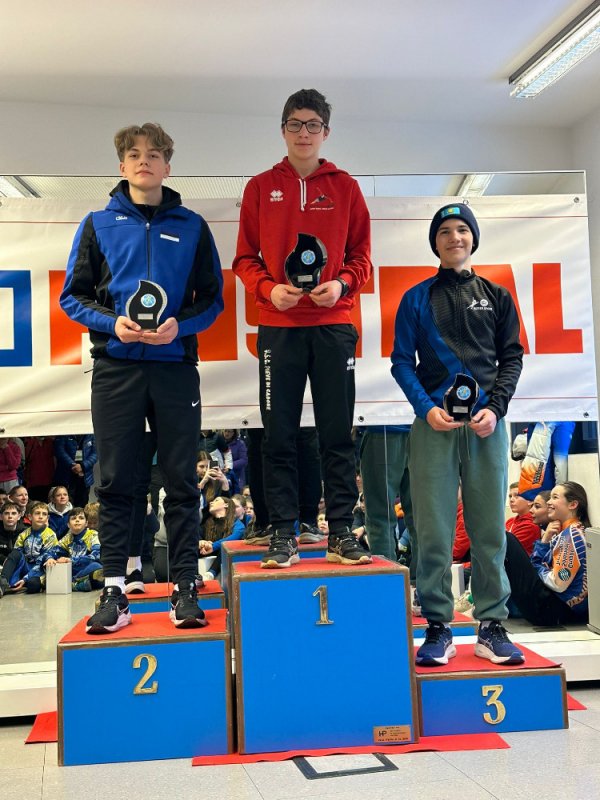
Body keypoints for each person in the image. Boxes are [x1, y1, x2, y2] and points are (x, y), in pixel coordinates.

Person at [60, 121, 224, 633]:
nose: (144, 161)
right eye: (134, 154)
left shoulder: (193, 226)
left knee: (181, 480)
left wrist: (180, 325)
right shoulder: (97, 224)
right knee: (114, 481)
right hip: (116, 368)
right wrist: (113, 324)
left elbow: (213, 300)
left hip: (175, 368)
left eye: (154, 154)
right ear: (122, 165)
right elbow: (72, 297)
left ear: (168, 166)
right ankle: (114, 589)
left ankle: (184, 587)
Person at [233, 88, 372, 569]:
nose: (304, 132)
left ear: (325, 132)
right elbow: (244, 258)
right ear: (283, 130)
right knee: (278, 437)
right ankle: (283, 532)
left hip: (333, 325)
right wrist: (268, 289)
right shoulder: (260, 187)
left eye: (313, 124)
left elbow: (362, 258)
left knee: (337, 435)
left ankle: (341, 532)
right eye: (295, 124)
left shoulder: (346, 188)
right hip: (279, 327)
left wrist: (342, 284)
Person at [391, 202, 525, 666]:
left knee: (489, 529)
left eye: (462, 230)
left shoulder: (497, 296)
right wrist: (426, 409)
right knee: (432, 529)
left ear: (473, 238)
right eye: (445, 231)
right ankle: (437, 625)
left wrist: (496, 408)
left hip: (487, 426)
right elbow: (401, 362)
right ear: (436, 242)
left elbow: (512, 358)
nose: (454, 237)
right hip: (434, 426)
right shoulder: (416, 298)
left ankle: (491, 625)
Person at [504, 482, 589, 626]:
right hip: (555, 609)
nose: (549, 502)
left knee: (507, 539)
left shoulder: (572, 535)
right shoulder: (566, 532)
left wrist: (537, 565)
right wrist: (545, 541)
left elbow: (558, 583)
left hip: (553, 611)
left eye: (555, 497)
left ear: (573, 504)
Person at [0, 502, 61, 595]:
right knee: (15, 553)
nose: (40, 517)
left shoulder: (50, 535)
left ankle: (22, 584)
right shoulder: (24, 534)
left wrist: (26, 578)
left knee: (33, 585)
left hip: (40, 569)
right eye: (37, 513)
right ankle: (2, 582)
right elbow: (16, 555)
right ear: (30, 516)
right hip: (25, 566)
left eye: (44, 514)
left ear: (47, 518)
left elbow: (43, 560)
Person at [55, 507, 104, 592]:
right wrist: (50, 558)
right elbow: (54, 552)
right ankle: (78, 585)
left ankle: (71, 583)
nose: (77, 520)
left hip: (87, 567)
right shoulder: (67, 538)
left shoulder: (93, 535)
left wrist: (71, 560)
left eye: (81, 518)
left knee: (97, 567)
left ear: (86, 523)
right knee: (53, 567)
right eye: (74, 518)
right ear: (68, 524)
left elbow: (96, 555)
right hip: (73, 569)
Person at [54, 434, 97, 507]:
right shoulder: (64, 432)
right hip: (66, 476)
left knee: (83, 504)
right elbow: (59, 450)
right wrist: (73, 465)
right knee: (65, 504)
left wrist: (83, 466)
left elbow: (95, 454)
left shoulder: (90, 434)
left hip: (85, 476)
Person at [506, 482, 540, 555]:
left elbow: (506, 548)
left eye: (516, 495)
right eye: (510, 496)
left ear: (530, 501)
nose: (511, 500)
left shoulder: (531, 525)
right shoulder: (510, 521)